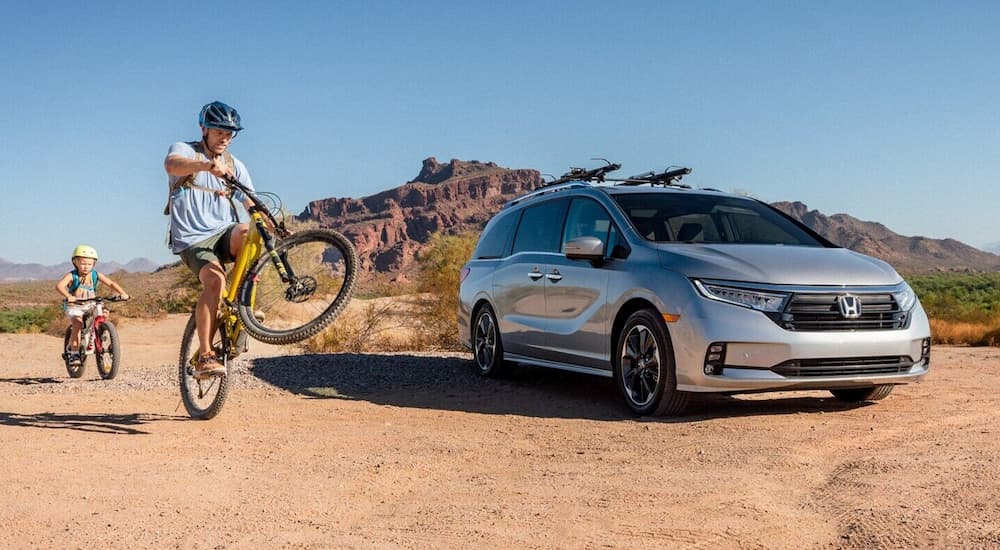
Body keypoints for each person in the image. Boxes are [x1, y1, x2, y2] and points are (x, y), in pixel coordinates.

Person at [164, 101, 256, 378]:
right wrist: (206, 166)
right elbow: (172, 165)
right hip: (193, 239)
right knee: (215, 282)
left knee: (249, 233)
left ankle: (244, 307)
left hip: (223, 231)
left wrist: (271, 224)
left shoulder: (234, 165)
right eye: (218, 132)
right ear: (204, 129)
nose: (224, 138)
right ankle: (205, 355)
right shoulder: (184, 150)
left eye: (230, 133)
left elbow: (250, 200)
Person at [55, 245, 129, 365]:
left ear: (94, 264)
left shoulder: (95, 275)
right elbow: (59, 285)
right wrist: (68, 296)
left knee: (104, 312)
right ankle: (74, 354)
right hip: (76, 305)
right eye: (83, 263)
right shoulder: (72, 275)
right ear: (75, 262)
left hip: (91, 303)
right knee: (77, 324)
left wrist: (122, 293)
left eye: (89, 264)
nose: (86, 267)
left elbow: (110, 283)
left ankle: (102, 332)